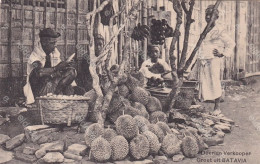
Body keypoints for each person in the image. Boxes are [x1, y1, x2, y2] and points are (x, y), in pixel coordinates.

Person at [191, 5, 235, 115]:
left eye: (211, 15)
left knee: (214, 81)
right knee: (200, 80)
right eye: (207, 15)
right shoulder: (205, 28)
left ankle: (217, 107)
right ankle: (198, 103)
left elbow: (231, 43)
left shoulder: (219, 30)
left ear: (216, 17)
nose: (208, 17)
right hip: (203, 57)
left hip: (213, 59)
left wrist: (222, 53)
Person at [23, 28, 77, 105]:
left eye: (56, 42)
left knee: (72, 72)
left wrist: (65, 65)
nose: (55, 45)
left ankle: (55, 96)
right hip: (39, 90)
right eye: (53, 43)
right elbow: (39, 72)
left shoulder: (54, 52)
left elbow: (58, 68)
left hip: (53, 84)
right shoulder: (34, 56)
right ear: (44, 42)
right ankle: (53, 98)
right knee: (38, 73)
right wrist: (57, 67)